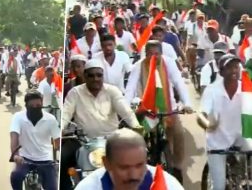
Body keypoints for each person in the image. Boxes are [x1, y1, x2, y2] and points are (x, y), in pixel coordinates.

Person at [61, 59, 143, 190]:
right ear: (84, 76)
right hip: (82, 141)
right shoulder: (75, 93)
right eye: (91, 75)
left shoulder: (112, 91)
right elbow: (65, 114)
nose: (95, 79)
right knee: (62, 159)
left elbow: (125, 111)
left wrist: (136, 126)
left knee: (135, 160)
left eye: (99, 75)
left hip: (112, 140)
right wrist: (61, 129)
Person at [124, 40, 193, 183]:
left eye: (156, 54)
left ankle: (177, 166)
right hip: (147, 110)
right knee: (137, 139)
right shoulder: (139, 66)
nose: (153, 57)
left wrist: (187, 103)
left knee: (179, 133)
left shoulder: (168, 63)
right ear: (145, 54)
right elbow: (130, 88)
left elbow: (179, 83)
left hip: (169, 109)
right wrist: (126, 107)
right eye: (150, 54)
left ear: (161, 53)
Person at [198, 54, 252, 190]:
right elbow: (201, 115)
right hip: (217, 142)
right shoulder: (212, 90)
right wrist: (208, 124)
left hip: (241, 138)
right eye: (229, 67)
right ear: (221, 72)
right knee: (219, 186)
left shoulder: (246, 89)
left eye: (236, 67)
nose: (234, 70)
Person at [75, 128, 184, 190]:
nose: (133, 175)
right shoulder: (88, 187)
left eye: (139, 165)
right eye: (124, 168)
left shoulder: (169, 185)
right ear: (107, 163)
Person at [10, 90, 60, 190]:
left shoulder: (51, 119)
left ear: (42, 104)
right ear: (26, 106)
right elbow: (14, 137)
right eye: (31, 106)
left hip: (46, 159)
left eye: (38, 105)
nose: (35, 108)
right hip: (24, 159)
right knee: (15, 176)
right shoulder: (18, 117)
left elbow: (57, 141)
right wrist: (15, 155)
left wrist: (58, 155)